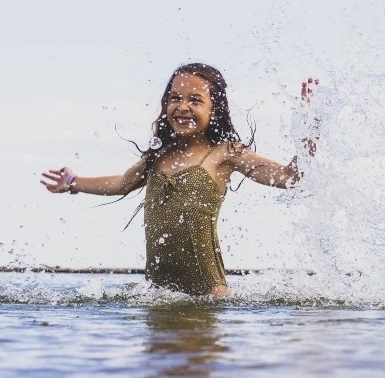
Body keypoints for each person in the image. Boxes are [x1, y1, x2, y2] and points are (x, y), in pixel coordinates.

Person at [41, 63, 318, 297]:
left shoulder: (226, 153)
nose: (183, 107)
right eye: (175, 98)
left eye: (195, 100)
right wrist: (72, 182)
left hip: (209, 297)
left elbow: (290, 176)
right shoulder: (159, 155)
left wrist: (308, 129)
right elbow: (120, 183)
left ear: (215, 109)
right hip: (159, 295)